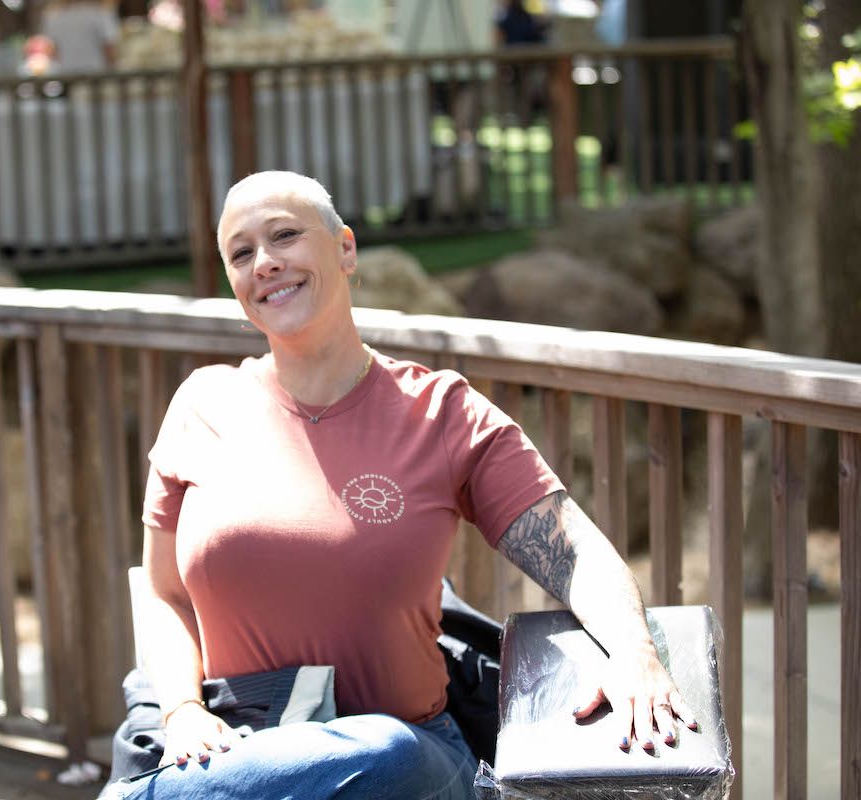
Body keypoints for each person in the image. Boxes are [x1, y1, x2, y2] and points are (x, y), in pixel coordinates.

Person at [126, 171, 697, 799]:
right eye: (241, 252)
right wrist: (180, 709)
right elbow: (164, 594)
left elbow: (574, 551)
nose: (264, 262)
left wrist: (635, 653)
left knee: (384, 751)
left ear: (344, 248)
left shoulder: (442, 413)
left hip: (407, 758)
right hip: (244, 753)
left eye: (284, 235)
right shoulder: (203, 403)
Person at [38, 0, 119, 73]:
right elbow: (109, 49)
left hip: (65, 76)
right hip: (95, 76)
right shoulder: (101, 13)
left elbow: (52, 51)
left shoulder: (52, 16)